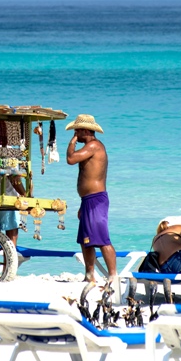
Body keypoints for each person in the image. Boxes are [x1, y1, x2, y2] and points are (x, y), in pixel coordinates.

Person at [65, 114, 118, 287]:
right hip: (88, 200)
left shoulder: (94, 146)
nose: (75, 133)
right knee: (86, 240)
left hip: (96, 199)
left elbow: (71, 159)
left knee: (102, 239)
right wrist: (82, 203)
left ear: (86, 130)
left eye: (77, 130)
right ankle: (89, 275)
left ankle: (113, 276)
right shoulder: (90, 147)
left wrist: (72, 142)